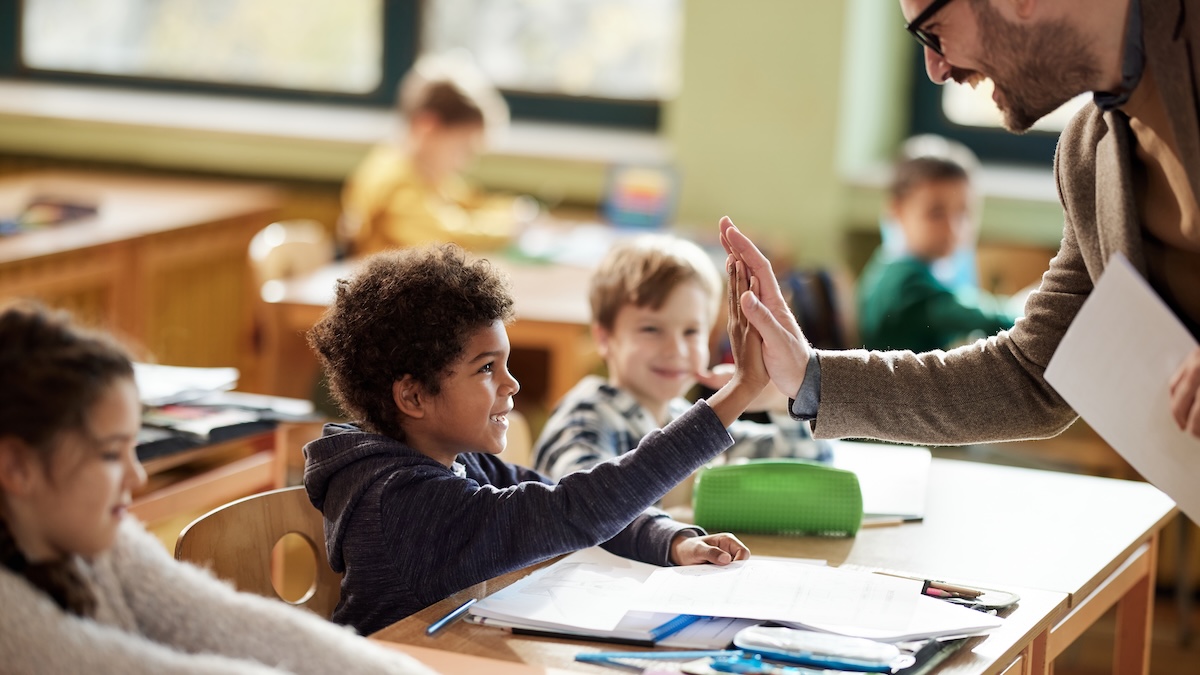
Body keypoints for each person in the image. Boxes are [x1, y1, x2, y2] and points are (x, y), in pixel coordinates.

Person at [717, 0, 1200, 444]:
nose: (936, 68)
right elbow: (1031, 372)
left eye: (935, 32)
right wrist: (810, 375)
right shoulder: (1087, 155)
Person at [304, 244, 766, 635]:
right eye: (487, 368)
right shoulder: (405, 502)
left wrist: (669, 540)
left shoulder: (453, 460)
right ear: (414, 395)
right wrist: (738, 392)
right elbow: (576, 510)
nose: (513, 385)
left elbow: (573, 500)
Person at [0, 302, 434, 675]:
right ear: (17, 466)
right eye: (112, 454)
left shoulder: (97, 540)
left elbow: (230, 622)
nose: (138, 478)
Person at [533, 234, 832, 479]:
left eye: (691, 332)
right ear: (604, 337)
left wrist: (782, 403)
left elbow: (807, 469)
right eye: (651, 329)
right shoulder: (586, 418)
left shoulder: (681, 418)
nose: (675, 349)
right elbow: (587, 507)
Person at [340, 51, 535, 257]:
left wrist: (514, 210)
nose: (465, 163)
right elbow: (445, 238)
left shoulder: (421, 169)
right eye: (463, 149)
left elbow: (468, 202)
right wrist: (510, 229)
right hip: (389, 287)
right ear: (428, 127)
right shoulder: (394, 180)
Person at [857, 142, 1019, 352]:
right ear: (896, 210)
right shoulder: (907, 287)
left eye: (963, 213)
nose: (954, 229)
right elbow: (994, 320)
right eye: (936, 213)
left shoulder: (890, 261)